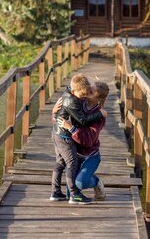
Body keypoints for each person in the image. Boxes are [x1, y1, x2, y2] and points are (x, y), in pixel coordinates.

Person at [50, 74, 105, 205]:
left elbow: (87, 140)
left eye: (89, 93)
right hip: (63, 136)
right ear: (75, 91)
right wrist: (100, 114)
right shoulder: (72, 100)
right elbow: (82, 120)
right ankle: (74, 194)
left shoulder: (72, 96)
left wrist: (55, 115)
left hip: (61, 135)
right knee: (71, 163)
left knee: (61, 162)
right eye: (84, 94)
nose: (85, 96)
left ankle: (56, 192)